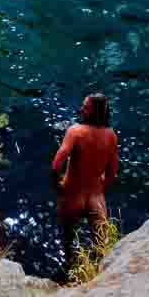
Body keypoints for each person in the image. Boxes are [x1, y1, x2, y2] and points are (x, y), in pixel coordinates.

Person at [51, 93, 119, 273]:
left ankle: (69, 273)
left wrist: (57, 185)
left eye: (86, 107)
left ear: (94, 112)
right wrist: (99, 187)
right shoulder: (111, 136)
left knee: (67, 243)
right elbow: (112, 174)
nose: (81, 109)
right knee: (101, 249)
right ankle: (95, 277)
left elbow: (57, 162)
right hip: (96, 199)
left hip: (73, 197)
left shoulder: (75, 132)